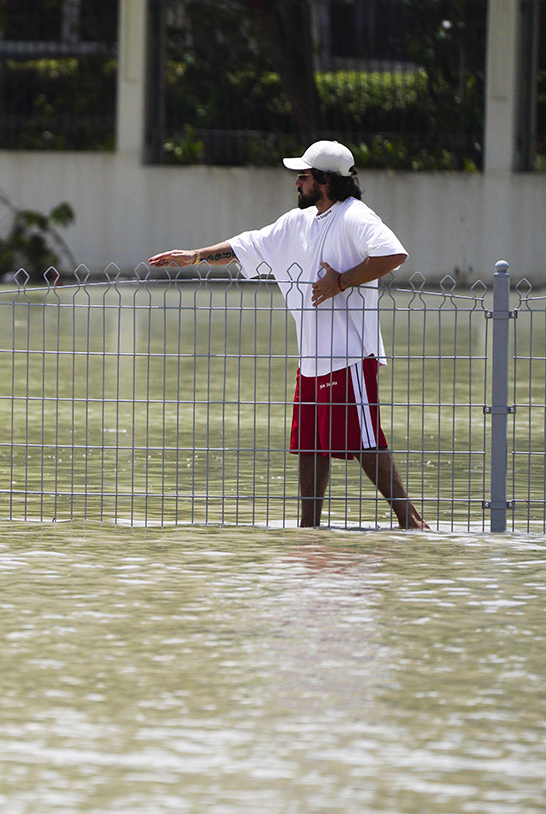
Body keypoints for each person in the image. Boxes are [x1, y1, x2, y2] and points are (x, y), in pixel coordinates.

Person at [148, 140, 430, 530]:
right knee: (310, 445)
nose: (297, 182)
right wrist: (195, 255)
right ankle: (309, 530)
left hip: (350, 356)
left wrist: (342, 281)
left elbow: (393, 254)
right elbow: (248, 245)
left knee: (364, 442)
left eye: (304, 175)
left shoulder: (354, 216)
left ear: (326, 182)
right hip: (312, 361)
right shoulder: (297, 222)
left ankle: (412, 524)